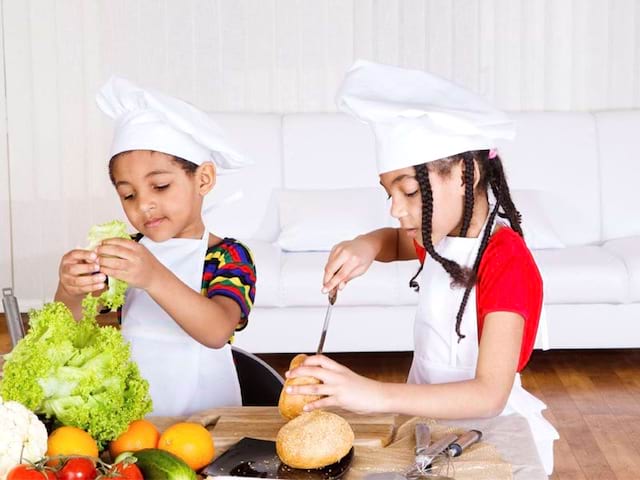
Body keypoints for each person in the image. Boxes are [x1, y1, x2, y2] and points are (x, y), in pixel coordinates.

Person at [285, 60, 558, 474]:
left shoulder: (507, 260)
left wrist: (372, 394)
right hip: (427, 428)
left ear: (466, 174)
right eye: (389, 193)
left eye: (410, 192)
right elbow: (394, 240)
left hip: (491, 438)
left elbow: (489, 395)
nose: (397, 209)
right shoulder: (439, 238)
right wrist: (365, 245)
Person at [54, 77, 256, 416]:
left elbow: (218, 330)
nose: (143, 205)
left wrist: (153, 277)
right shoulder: (125, 253)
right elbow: (71, 330)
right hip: (135, 418)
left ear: (203, 179)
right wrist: (69, 290)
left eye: (160, 186)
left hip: (210, 422)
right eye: (128, 195)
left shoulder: (228, 256)